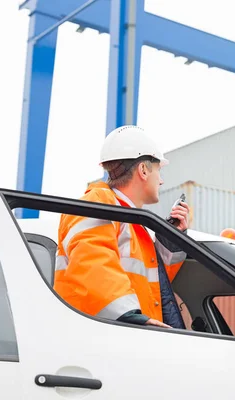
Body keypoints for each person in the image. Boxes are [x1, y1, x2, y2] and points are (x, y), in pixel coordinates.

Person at [54, 125, 190, 329]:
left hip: (125, 336)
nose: (161, 181)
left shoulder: (132, 221)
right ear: (143, 170)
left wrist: (172, 239)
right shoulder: (98, 203)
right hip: (109, 336)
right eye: (158, 171)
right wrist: (131, 318)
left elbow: (152, 286)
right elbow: (91, 264)